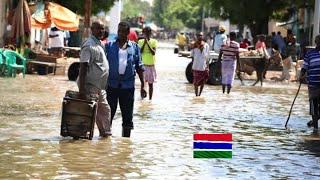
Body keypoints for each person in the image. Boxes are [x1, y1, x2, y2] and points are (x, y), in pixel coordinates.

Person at [105, 21, 147, 138]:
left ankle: (125, 144)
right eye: (119, 31)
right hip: (112, 86)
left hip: (128, 87)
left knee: (127, 118)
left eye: (123, 31)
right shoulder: (110, 46)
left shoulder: (134, 47)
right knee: (108, 116)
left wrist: (143, 86)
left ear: (128, 33)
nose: (121, 33)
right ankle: (105, 142)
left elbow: (140, 67)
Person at [77, 20, 112, 138]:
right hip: (89, 85)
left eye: (103, 28)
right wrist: (82, 90)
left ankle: (105, 135)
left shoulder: (100, 44)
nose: (101, 31)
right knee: (89, 113)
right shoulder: (89, 45)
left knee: (105, 110)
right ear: (92, 29)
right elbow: (83, 68)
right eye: (98, 28)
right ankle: (83, 137)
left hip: (99, 86)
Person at [299, 34, 320, 129]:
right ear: (316, 42)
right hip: (313, 85)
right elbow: (304, 67)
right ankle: (315, 128)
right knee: (314, 106)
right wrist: (301, 76)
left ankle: (314, 121)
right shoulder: (310, 53)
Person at [138, 26, 158, 100]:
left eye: (148, 33)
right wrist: (144, 43)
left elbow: (153, 53)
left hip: (151, 65)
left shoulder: (154, 41)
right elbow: (140, 51)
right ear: (143, 33)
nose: (147, 34)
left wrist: (148, 43)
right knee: (142, 83)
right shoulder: (140, 42)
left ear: (150, 33)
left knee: (150, 84)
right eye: (145, 33)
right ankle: (142, 99)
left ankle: (150, 99)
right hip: (143, 65)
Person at [190, 32, 210, 96]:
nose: (200, 37)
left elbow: (207, 57)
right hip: (196, 66)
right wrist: (191, 66)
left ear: (202, 36)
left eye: (201, 35)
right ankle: (196, 95)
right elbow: (192, 56)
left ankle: (200, 94)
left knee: (202, 82)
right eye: (198, 35)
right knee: (195, 83)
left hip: (203, 66)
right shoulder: (193, 45)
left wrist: (208, 67)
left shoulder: (206, 45)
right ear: (196, 36)